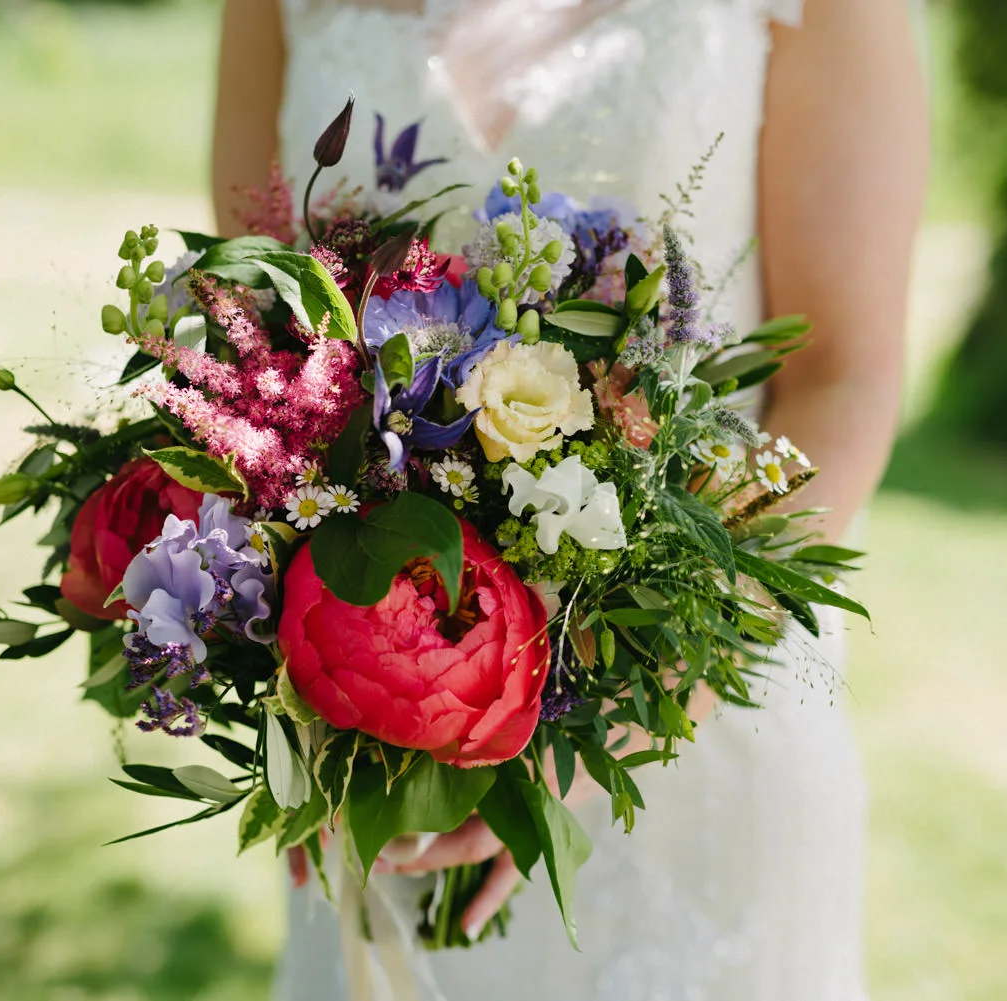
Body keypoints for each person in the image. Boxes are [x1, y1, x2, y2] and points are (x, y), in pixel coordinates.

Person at [212, 1, 927, 997]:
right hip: (382, 755)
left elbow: (842, 378)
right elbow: (262, 340)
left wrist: (622, 701)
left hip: (690, 730)